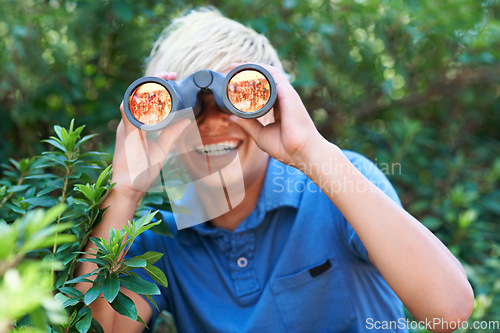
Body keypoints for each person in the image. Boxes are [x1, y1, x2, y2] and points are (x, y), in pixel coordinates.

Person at [76, 7, 474, 333]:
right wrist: (124, 191)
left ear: (272, 102)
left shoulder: (338, 183)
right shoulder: (160, 235)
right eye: (189, 108)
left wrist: (308, 150)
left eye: (234, 100)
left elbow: (449, 310)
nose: (213, 123)